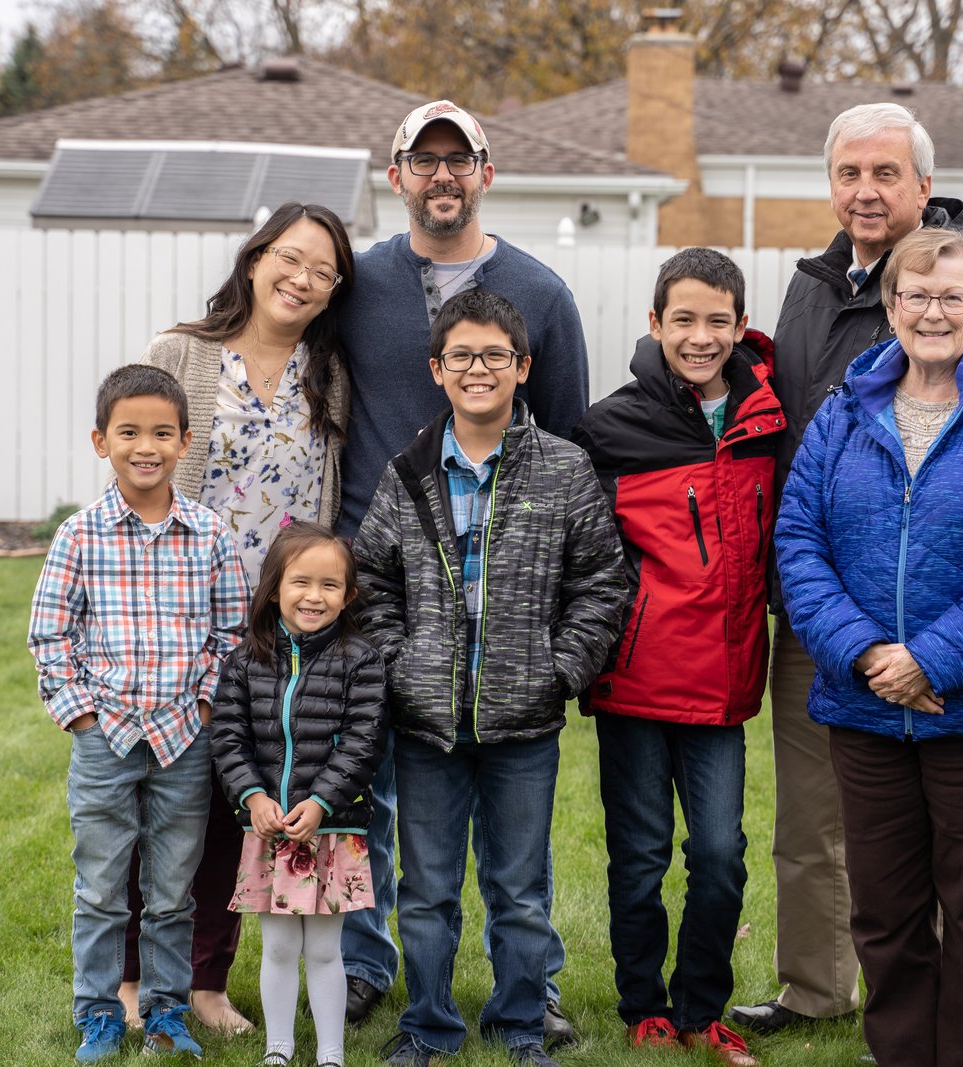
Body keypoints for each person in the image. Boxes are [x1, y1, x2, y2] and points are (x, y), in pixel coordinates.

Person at [730, 101, 963, 1036]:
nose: (865, 190)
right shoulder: (813, 287)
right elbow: (799, 480)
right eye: (849, 173)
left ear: (924, 189)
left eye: (886, 173)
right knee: (820, 835)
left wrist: (940, 651)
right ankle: (817, 989)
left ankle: (956, 1037)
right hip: (835, 632)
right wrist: (848, 635)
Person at [335, 99, 589, 1045]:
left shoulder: (543, 293)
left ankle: (532, 991)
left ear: (487, 171)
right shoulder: (357, 286)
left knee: (513, 851)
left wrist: (558, 650)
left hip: (507, 589)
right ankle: (369, 963)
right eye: (422, 161)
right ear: (396, 175)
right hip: (380, 565)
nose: (442, 177)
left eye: (460, 160)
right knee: (370, 783)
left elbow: (567, 439)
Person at [352, 290, 625, 1067]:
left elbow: (603, 582)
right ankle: (428, 1024)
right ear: (438, 370)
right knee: (428, 889)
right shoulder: (407, 472)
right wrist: (401, 665)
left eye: (495, 356)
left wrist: (560, 668)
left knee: (520, 888)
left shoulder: (564, 470)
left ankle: (520, 1022)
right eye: (462, 356)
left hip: (524, 724)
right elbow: (369, 579)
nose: (479, 369)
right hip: (427, 722)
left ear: (522, 367)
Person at [122, 202, 356, 1034]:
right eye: (290, 259)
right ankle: (130, 979)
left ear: (334, 292)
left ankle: (204, 983)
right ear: (255, 259)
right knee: (162, 803)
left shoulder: (328, 374)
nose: (302, 279)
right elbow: (138, 472)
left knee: (237, 803)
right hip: (180, 613)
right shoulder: (179, 353)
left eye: (323, 271)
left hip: (272, 631)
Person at [569, 248, 782, 1067]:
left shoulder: (770, 416)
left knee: (721, 855)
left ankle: (702, 1006)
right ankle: (643, 1004)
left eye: (717, 320)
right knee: (641, 853)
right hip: (633, 677)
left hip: (723, 681)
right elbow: (582, 557)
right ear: (655, 324)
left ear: (740, 324)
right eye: (683, 320)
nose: (700, 336)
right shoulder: (611, 427)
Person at [28, 364, 248, 1062]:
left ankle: (165, 1013)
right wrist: (81, 716)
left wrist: (210, 704)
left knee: (172, 890)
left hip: (185, 738)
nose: (145, 445)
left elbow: (231, 633)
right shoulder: (81, 535)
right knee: (100, 887)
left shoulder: (210, 533)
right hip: (107, 740)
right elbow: (50, 634)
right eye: (129, 432)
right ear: (102, 441)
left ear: (185, 442)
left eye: (161, 432)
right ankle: (98, 1012)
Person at [209, 520, 388, 1067]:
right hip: (269, 831)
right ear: (275, 588)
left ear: (348, 594)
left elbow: (364, 740)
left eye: (330, 585)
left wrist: (322, 803)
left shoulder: (361, 659)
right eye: (300, 583)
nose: (314, 596)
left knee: (326, 949)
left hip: (332, 832)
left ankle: (331, 1054)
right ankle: (278, 1048)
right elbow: (228, 736)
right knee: (281, 947)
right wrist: (252, 798)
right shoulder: (245, 661)